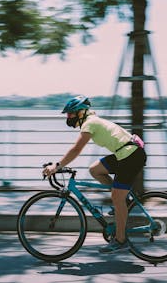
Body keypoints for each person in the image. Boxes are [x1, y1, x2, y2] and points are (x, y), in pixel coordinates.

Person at [43, 95, 147, 253]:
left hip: (131, 156)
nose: (68, 117)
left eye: (70, 114)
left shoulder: (90, 123)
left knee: (116, 198)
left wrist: (57, 166)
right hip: (125, 153)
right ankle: (122, 199)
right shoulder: (91, 121)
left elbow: (76, 149)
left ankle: (120, 240)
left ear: (81, 112)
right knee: (95, 170)